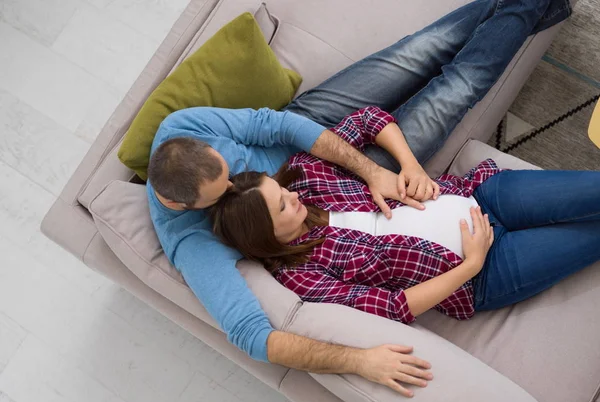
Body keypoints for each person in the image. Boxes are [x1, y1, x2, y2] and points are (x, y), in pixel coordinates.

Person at [146, 0, 571, 397]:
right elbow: (252, 335)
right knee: (455, 88)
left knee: (420, 51)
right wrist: (358, 361)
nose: (237, 182)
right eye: (222, 193)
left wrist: (376, 173)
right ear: (187, 207)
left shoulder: (183, 129)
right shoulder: (189, 243)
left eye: (228, 169)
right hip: (335, 186)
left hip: (308, 130)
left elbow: (272, 125)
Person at [211, 105, 600, 336]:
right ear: (266, 237)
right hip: (487, 273)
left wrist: (410, 166)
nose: (293, 197)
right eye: (282, 207)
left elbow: (367, 120)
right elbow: (392, 307)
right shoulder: (299, 275)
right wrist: (473, 264)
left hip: (479, 195)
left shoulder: (304, 175)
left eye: (281, 190)